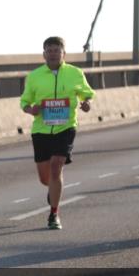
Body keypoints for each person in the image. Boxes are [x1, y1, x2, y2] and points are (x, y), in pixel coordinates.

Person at [20, 36, 95, 230]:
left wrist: (87, 104)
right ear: (44, 54)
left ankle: (54, 213)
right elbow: (24, 102)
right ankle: (53, 190)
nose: (53, 53)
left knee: (56, 166)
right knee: (45, 178)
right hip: (41, 129)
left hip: (66, 126)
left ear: (63, 53)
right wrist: (31, 109)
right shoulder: (35, 76)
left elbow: (87, 95)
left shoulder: (75, 73)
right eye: (49, 50)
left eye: (56, 50)